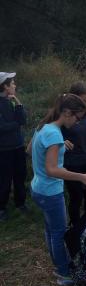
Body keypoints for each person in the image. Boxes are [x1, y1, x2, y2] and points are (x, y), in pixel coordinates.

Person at [30, 94, 86, 286]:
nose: (76, 122)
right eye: (77, 117)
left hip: (38, 189)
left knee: (51, 231)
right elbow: (52, 170)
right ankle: (65, 274)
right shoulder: (54, 133)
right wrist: (81, 176)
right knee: (58, 233)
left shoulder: (43, 127)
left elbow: (31, 150)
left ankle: (59, 265)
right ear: (67, 113)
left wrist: (59, 149)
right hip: (50, 192)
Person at [61, 82, 86, 226]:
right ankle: (75, 226)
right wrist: (61, 141)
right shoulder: (64, 115)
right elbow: (49, 131)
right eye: (84, 100)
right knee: (76, 197)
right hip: (72, 163)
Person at [0, 72, 28, 221]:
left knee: (20, 176)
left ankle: (21, 203)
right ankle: (1, 208)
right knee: (4, 179)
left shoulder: (11, 101)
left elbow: (22, 119)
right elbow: (2, 127)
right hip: (4, 149)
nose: (15, 86)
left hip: (18, 146)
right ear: (5, 86)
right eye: (12, 84)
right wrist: (17, 124)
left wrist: (18, 102)